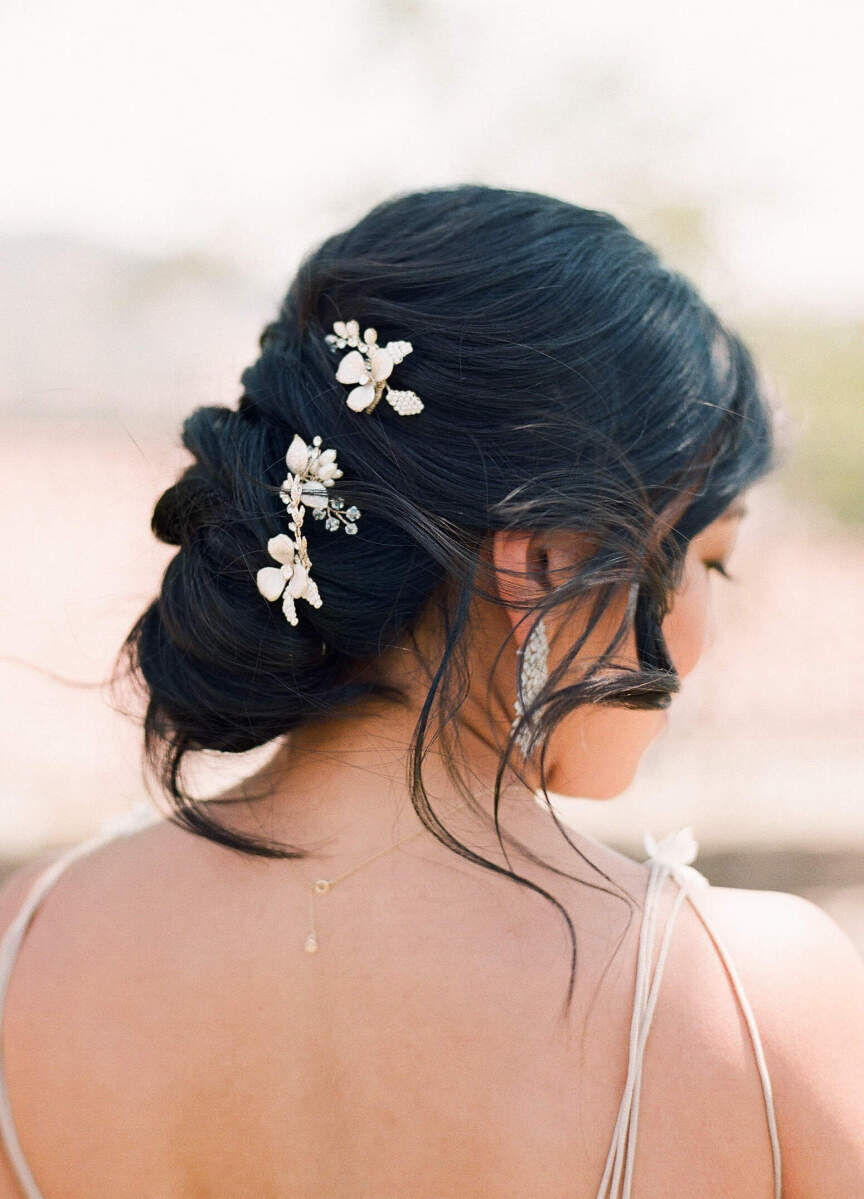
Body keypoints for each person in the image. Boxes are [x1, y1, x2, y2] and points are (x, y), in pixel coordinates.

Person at [0, 184, 862, 1198]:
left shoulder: (29, 948)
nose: (703, 636)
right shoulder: (749, 1003)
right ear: (540, 559)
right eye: (708, 562)